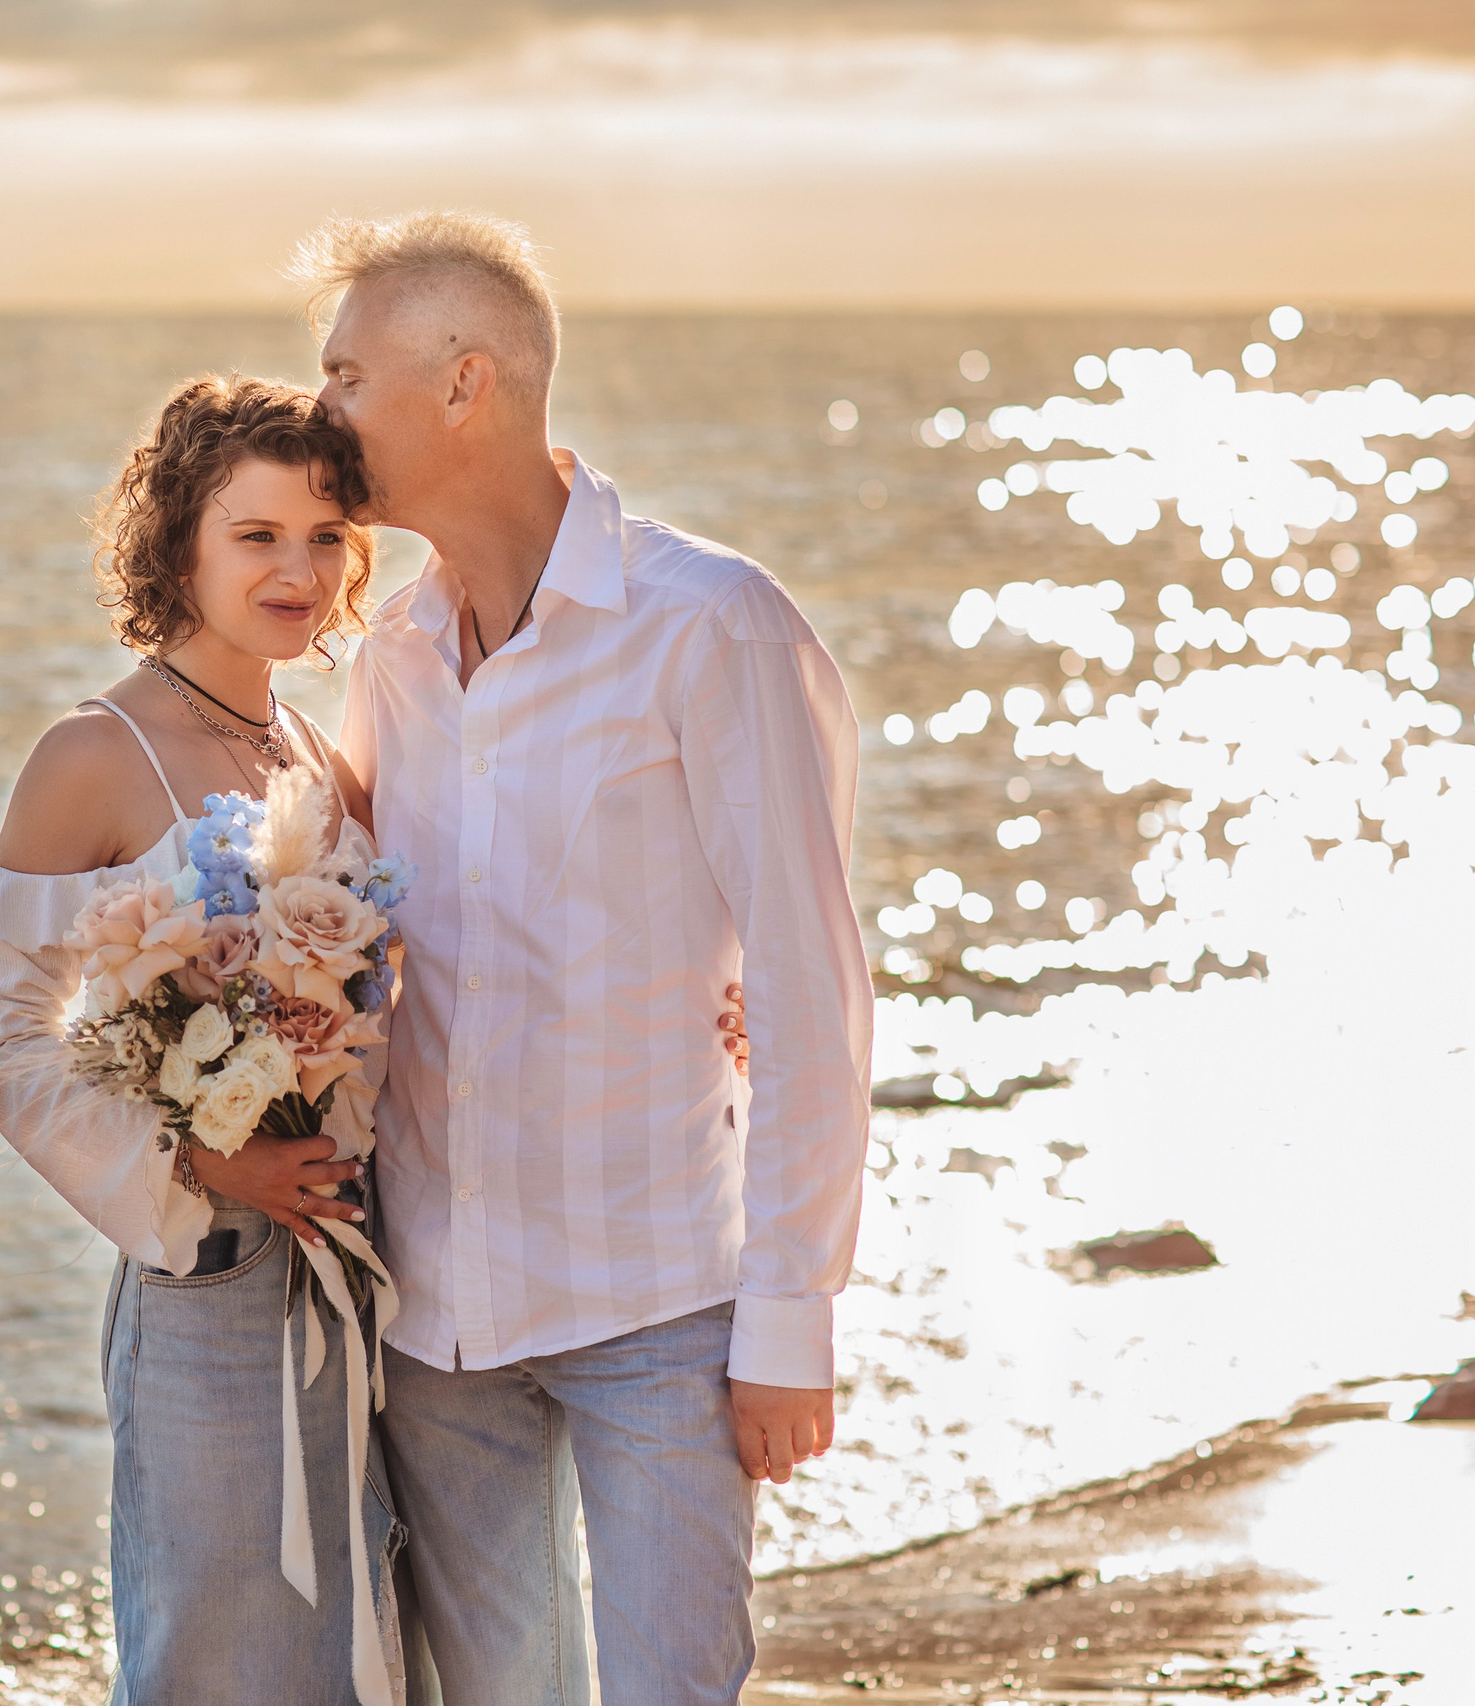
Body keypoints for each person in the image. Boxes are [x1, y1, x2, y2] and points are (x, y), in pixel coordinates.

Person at [309, 211, 876, 1706]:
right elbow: (338, 925)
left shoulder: (712, 627)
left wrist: (790, 1319)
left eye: (348, 373)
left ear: (464, 384)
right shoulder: (394, 655)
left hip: (660, 1303)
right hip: (436, 1314)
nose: (321, 412)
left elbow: (814, 989)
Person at [0, 375, 411, 1706]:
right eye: (257, 535)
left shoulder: (315, 748)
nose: (298, 569)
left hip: (357, 1265)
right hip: (207, 1278)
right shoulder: (93, 751)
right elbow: (2, 1037)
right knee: (218, 1658)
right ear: (182, 544)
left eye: (326, 537)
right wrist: (211, 1164)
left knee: (350, 1645)